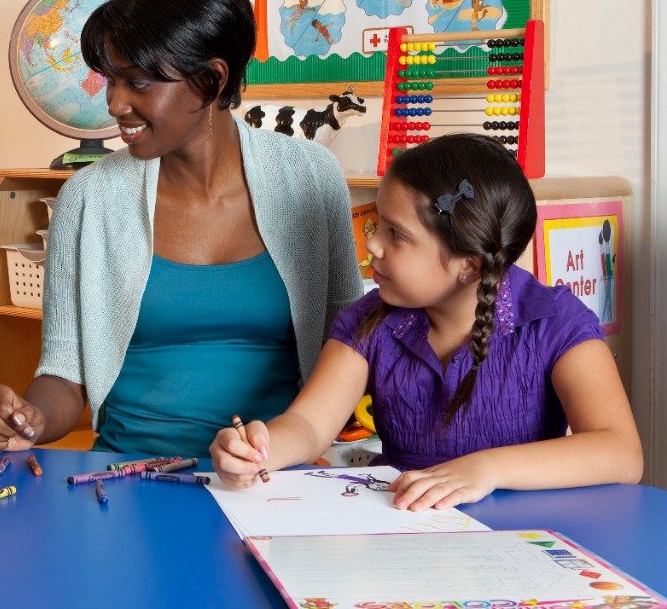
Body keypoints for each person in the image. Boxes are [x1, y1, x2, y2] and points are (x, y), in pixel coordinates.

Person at [0, 0, 363, 458]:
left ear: (212, 80)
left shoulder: (311, 179)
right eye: (111, 80)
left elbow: (350, 346)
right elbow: (64, 374)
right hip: (129, 476)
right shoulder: (89, 199)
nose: (114, 103)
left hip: (275, 479)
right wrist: (29, 418)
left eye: (137, 83)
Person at [211, 133, 642, 509]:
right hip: (403, 527)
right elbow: (309, 424)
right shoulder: (370, 319)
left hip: (520, 542)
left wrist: (486, 470)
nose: (373, 245)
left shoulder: (555, 323)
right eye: (377, 225)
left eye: (396, 234)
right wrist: (259, 449)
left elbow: (621, 451)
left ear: (468, 266)